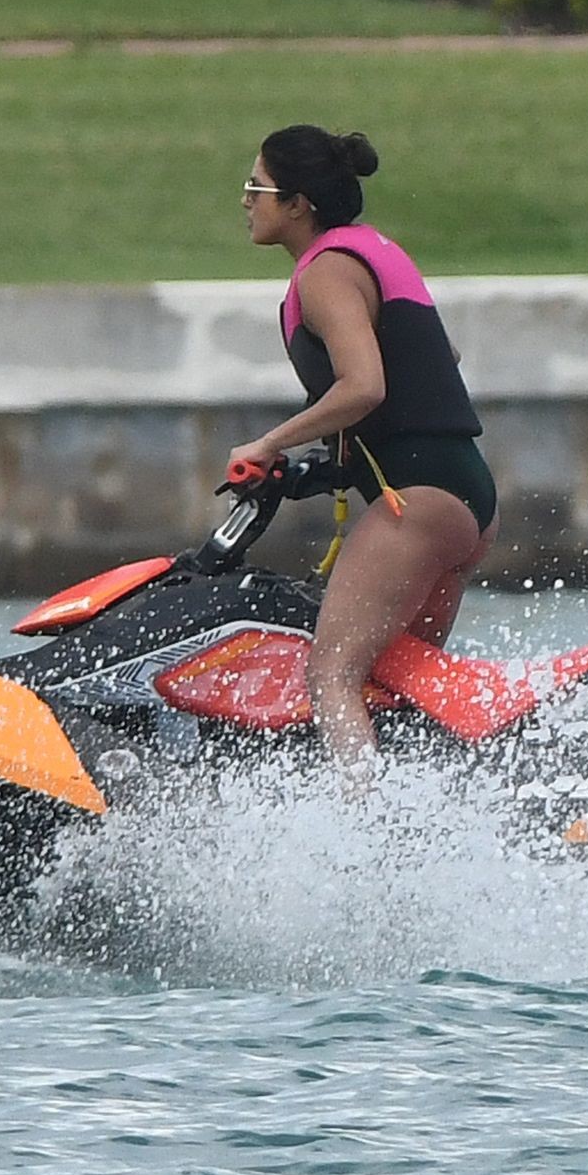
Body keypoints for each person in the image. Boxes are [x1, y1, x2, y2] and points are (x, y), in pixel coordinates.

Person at [227, 125, 498, 773]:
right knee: (401, 684)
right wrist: (326, 467)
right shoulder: (372, 250)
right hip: (465, 494)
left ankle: (365, 824)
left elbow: (364, 386)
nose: (246, 200)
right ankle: (438, 796)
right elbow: (440, 357)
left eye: (256, 187)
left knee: (333, 673)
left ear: (297, 204)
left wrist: (269, 443)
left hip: (418, 504)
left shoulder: (325, 272)